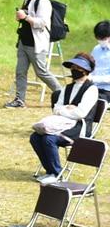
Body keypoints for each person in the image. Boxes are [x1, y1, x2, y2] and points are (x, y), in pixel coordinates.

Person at [30, 52, 101, 184]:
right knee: (35, 137)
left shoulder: (91, 89)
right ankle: (50, 170)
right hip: (62, 124)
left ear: (86, 70)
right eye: (73, 67)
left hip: (79, 128)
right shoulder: (67, 88)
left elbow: (81, 113)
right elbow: (56, 108)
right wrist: (68, 109)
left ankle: (57, 173)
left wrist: (65, 110)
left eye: (78, 68)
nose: (74, 71)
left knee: (49, 139)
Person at [5, 0, 62, 108]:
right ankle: (20, 100)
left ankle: (62, 94)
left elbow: (42, 22)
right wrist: (21, 16)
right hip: (24, 41)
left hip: (36, 44)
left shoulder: (43, 1)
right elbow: (26, 17)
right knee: (20, 72)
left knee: (42, 72)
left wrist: (26, 17)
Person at [90, 20, 110, 103]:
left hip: (107, 90)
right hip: (93, 87)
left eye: (103, 39)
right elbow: (91, 67)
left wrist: (93, 79)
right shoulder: (96, 49)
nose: (101, 41)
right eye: (98, 38)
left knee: (89, 100)